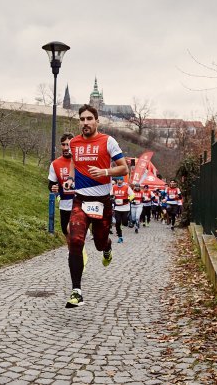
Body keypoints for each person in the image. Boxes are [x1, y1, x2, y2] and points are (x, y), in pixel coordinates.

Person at [62, 104, 128, 308]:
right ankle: (76, 291)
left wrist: (106, 172)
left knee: (99, 243)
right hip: (80, 201)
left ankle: (107, 247)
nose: (85, 123)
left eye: (89, 119)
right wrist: (70, 180)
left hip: (102, 202)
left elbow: (124, 168)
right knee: (75, 240)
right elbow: (74, 163)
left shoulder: (108, 141)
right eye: (82, 119)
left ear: (97, 121)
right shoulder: (74, 143)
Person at [48, 132, 75, 236]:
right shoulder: (55, 164)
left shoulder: (80, 161)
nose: (66, 147)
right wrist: (53, 188)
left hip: (80, 202)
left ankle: (77, 252)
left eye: (68, 144)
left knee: (77, 233)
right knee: (66, 232)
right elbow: (51, 184)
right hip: (65, 204)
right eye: (63, 144)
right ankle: (72, 252)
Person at [112, 177, 133, 242]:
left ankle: (128, 222)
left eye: (120, 180)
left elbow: (132, 195)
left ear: (123, 180)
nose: (119, 181)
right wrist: (112, 199)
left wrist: (128, 199)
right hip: (117, 208)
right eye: (118, 180)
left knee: (124, 223)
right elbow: (110, 194)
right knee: (117, 222)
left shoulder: (126, 187)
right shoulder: (114, 187)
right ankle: (120, 237)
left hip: (125, 207)